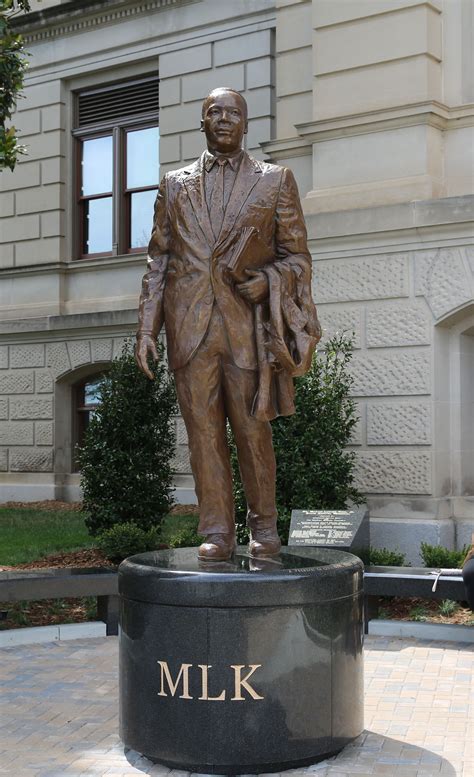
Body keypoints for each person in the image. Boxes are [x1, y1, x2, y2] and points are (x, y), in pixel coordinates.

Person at [135, 87, 320, 561]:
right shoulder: (174, 185)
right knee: (203, 435)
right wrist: (145, 328)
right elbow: (158, 260)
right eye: (213, 112)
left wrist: (269, 281)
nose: (222, 119)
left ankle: (264, 526)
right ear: (201, 123)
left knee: (253, 431)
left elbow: (297, 256)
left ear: (245, 123)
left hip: (246, 330)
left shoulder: (275, 181)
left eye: (231, 113)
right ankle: (217, 529)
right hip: (189, 329)